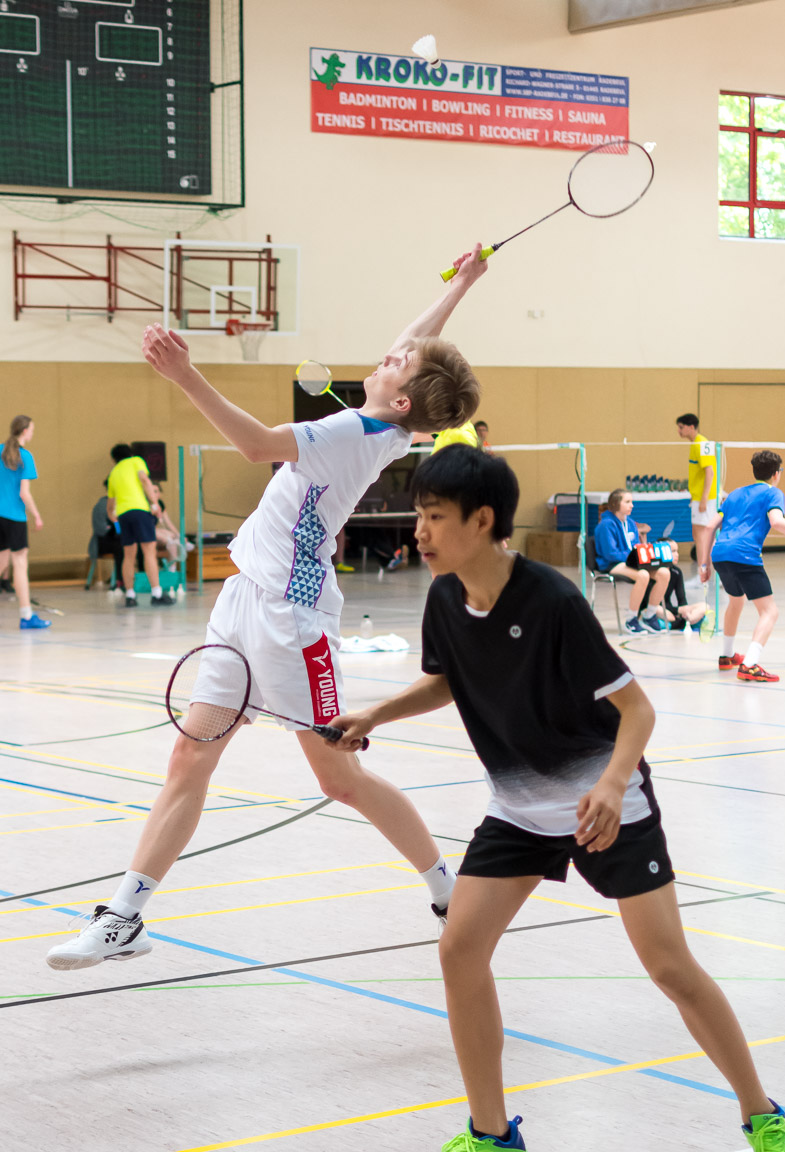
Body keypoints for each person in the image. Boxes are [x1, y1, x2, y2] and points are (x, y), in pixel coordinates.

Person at [327, 444, 785, 1152]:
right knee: (459, 949)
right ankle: (492, 1139)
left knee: (669, 967)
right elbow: (446, 681)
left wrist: (613, 785)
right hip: (518, 808)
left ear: (481, 521)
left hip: (603, 805)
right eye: (419, 515)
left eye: (433, 516)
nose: (419, 531)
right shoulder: (446, 597)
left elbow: (636, 710)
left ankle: (765, 1118)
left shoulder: (550, 602)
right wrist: (374, 714)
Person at [46, 243, 488, 972]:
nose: (387, 354)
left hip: (292, 620)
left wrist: (184, 375)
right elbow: (415, 345)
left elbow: (254, 445)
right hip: (243, 599)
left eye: (396, 363)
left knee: (338, 778)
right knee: (190, 755)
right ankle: (124, 917)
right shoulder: (389, 421)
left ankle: (448, 890)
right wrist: (462, 284)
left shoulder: (349, 431)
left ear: (404, 398)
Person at [698, 450, 785, 682]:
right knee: (770, 611)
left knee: (736, 601)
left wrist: (704, 564)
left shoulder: (734, 494)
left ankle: (727, 656)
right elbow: (776, 521)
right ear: (776, 474)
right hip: (744, 555)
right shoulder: (773, 493)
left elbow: (709, 527)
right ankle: (750, 665)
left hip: (720, 554)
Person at [593, 489, 670, 634]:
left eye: (632, 502)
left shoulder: (630, 523)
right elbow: (610, 554)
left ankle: (649, 615)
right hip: (611, 564)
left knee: (664, 573)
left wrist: (641, 555)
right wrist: (632, 557)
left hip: (632, 562)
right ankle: (631, 619)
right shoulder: (606, 525)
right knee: (643, 575)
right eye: (627, 502)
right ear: (616, 504)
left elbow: (636, 547)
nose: (632, 505)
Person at [107, 445, 175, 608]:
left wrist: (113, 517)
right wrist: (155, 503)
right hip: (140, 511)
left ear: (114, 459)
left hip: (123, 515)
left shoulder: (113, 473)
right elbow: (144, 480)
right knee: (149, 551)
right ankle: (156, 593)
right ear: (130, 453)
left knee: (128, 555)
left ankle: (130, 595)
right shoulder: (136, 461)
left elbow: (110, 506)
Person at [0, 414, 51, 630]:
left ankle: (27, 615)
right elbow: (24, 493)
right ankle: (26, 615)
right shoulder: (25, 456)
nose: (32, 433)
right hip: (15, 518)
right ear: (24, 431)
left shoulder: (0, 450)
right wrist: (37, 515)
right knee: (20, 565)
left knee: (2, 562)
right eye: (31, 429)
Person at [676, 412, 717, 581]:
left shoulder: (701, 443)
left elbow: (710, 472)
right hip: (699, 497)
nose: (679, 431)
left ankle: (703, 577)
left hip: (704, 498)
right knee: (701, 536)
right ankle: (710, 575)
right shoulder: (696, 444)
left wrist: (704, 499)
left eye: (681, 427)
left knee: (702, 538)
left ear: (691, 427)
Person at [639, 542, 707, 631]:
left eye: (677, 551)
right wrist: (677, 611)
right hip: (656, 609)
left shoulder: (676, 572)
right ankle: (686, 622)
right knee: (664, 613)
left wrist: (685, 611)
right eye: (673, 551)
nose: (677, 555)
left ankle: (688, 620)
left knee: (704, 606)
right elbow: (649, 602)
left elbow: (682, 599)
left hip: (672, 610)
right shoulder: (652, 573)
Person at [150, 483, 193, 568]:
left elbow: (168, 523)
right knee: (164, 534)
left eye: (156, 491)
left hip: (157, 532)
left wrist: (179, 535)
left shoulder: (160, 504)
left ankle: (172, 568)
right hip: (149, 533)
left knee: (171, 535)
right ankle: (174, 542)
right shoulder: (145, 504)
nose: (155, 494)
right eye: (153, 491)